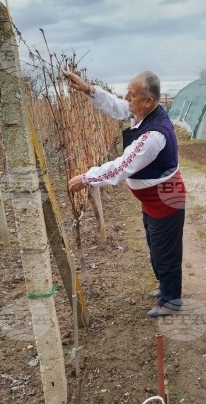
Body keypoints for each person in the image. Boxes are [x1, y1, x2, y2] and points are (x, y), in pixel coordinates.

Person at [65, 70, 186, 318]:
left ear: (148, 101)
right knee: (155, 246)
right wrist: (89, 89)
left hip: (165, 198)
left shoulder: (153, 135)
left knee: (165, 251)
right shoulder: (143, 113)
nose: (127, 97)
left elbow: (121, 167)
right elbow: (117, 107)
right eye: (128, 92)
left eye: (133, 94)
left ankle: (171, 300)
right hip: (153, 198)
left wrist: (87, 178)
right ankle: (165, 286)